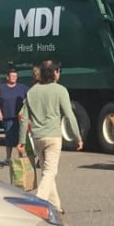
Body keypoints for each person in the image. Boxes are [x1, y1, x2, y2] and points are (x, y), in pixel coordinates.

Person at [17, 60, 83, 214]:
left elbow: (24, 118)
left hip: (37, 136)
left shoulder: (32, 91)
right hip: (53, 136)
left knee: (47, 172)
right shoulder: (60, 90)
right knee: (50, 172)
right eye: (58, 71)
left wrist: (21, 140)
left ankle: (56, 206)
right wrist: (77, 136)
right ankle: (38, 201)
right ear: (55, 73)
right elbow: (69, 115)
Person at [0, 69, 29, 165]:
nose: (14, 78)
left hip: (20, 117)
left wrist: (26, 102)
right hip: (7, 117)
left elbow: (32, 95)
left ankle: (21, 157)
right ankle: (8, 158)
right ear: (7, 77)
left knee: (21, 137)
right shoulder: (1, 88)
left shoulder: (23, 88)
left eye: (15, 76)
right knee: (9, 138)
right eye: (12, 76)